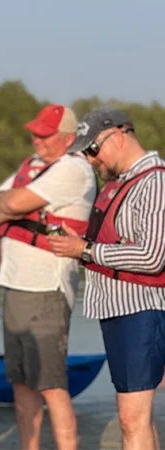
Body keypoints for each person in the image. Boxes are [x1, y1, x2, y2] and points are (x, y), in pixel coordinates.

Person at [49, 107, 165, 450]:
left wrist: (84, 249)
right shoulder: (120, 183)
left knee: (131, 419)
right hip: (120, 311)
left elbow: (152, 256)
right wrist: (82, 240)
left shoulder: (155, 181)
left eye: (92, 149)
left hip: (141, 310)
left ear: (118, 135)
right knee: (138, 418)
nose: (90, 159)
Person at [0, 104, 96, 450]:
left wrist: (13, 203)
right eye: (34, 133)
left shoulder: (74, 168)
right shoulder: (30, 166)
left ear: (68, 137)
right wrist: (12, 202)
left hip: (46, 287)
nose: (36, 140)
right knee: (21, 382)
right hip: (14, 284)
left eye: (44, 135)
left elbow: (13, 203)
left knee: (51, 384)